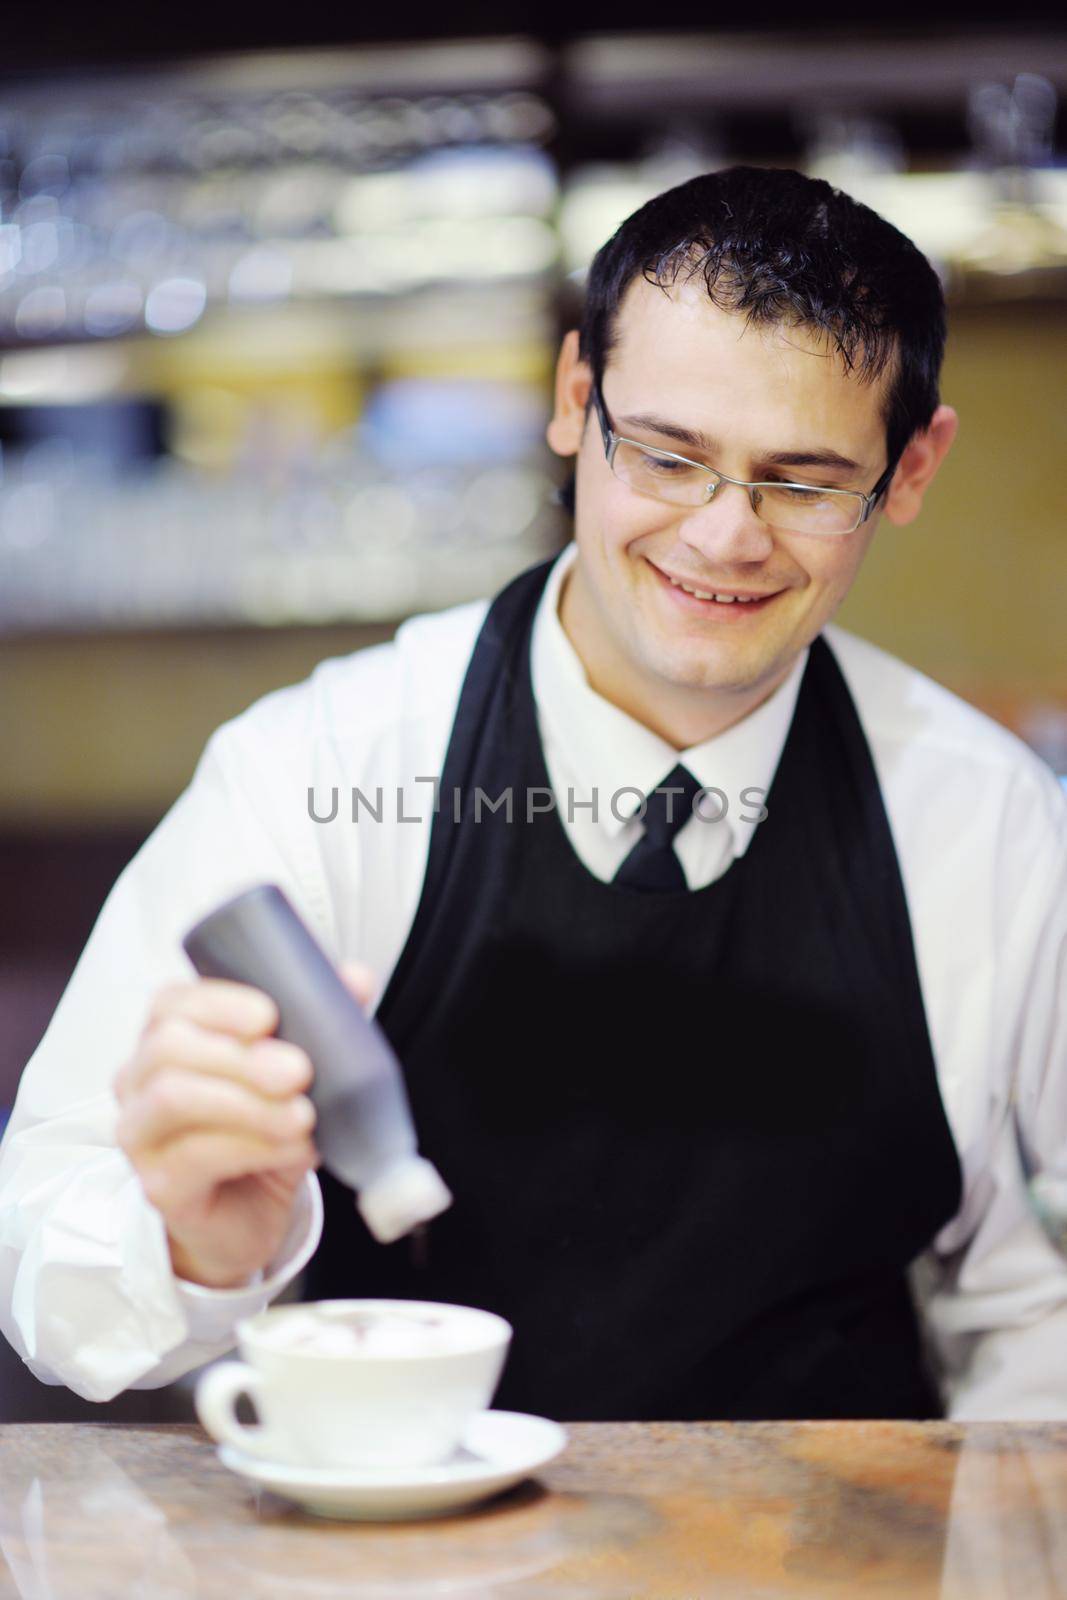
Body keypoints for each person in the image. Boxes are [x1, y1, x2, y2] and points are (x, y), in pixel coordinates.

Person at [1, 165, 1065, 1419]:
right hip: (399, 1548)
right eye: (666, 456)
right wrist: (195, 1245)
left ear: (910, 468)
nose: (723, 536)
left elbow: (1029, 1308)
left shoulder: (990, 825)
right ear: (574, 400)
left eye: (804, 479)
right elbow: (43, 1259)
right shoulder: (321, 768)